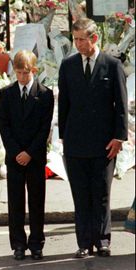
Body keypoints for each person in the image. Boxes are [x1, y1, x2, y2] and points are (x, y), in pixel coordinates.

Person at [58, 18, 128, 258]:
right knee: (81, 194)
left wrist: (119, 137)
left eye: (81, 39)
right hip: (76, 142)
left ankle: (103, 240)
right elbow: (63, 104)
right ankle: (84, 242)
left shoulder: (112, 65)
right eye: (75, 39)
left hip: (104, 143)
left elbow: (121, 104)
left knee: (101, 194)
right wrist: (63, 138)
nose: (77, 44)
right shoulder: (68, 66)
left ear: (94, 38)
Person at [0, 50, 54, 260]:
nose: (22, 77)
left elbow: (44, 128)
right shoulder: (7, 93)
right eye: (18, 72)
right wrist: (16, 152)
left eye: (26, 73)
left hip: (35, 156)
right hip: (15, 156)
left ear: (34, 70)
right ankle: (18, 244)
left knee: (37, 201)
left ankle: (37, 243)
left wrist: (29, 152)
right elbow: (4, 126)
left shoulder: (45, 94)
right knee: (16, 202)